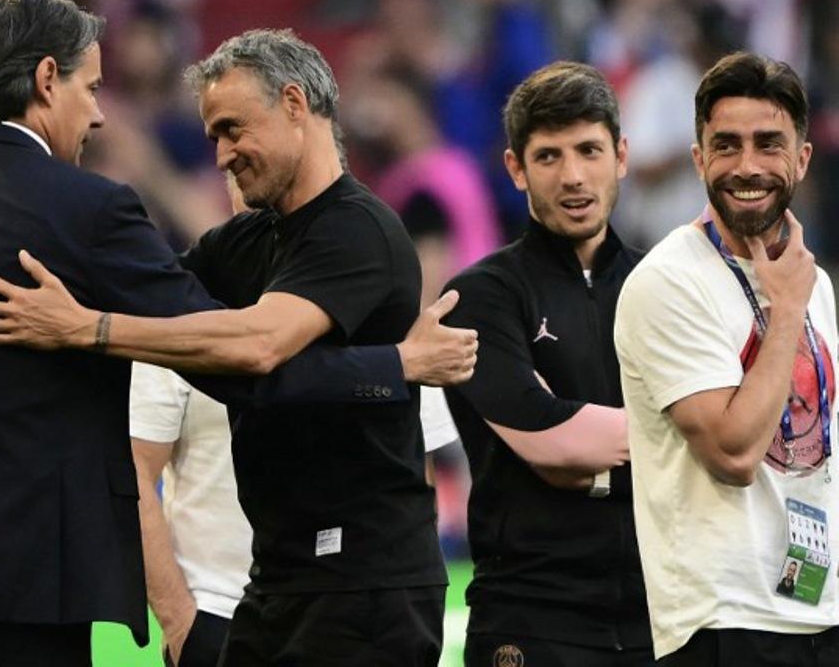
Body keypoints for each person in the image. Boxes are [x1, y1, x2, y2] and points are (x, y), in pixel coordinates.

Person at [0, 0, 474, 667]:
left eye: (233, 129)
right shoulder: (177, 231)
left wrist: (88, 328)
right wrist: (395, 364)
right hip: (196, 584)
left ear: (295, 104)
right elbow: (216, 340)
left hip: (362, 579)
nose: (223, 155)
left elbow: (246, 347)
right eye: (90, 89)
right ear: (44, 82)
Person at [615, 52, 839, 665]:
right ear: (698, 159)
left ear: (801, 159)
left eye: (769, 144)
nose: (747, 167)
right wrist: (786, 312)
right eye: (726, 145)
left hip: (817, 611)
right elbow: (735, 455)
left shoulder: (811, 282)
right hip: (723, 623)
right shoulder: (668, 282)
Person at [441, 61, 653, 666]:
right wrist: (689, 434)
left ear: (621, 155)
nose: (573, 176)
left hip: (660, 617)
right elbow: (551, 439)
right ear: (516, 168)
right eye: (549, 156)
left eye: (589, 150)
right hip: (531, 619)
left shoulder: (666, 285)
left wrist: (592, 452)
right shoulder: (479, 296)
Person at [131, 367, 459, 667]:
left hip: (362, 607)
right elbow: (137, 474)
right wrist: (181, 623)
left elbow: (416, 471)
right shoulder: (183, 318)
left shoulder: (389, 316)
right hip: (219, 612)